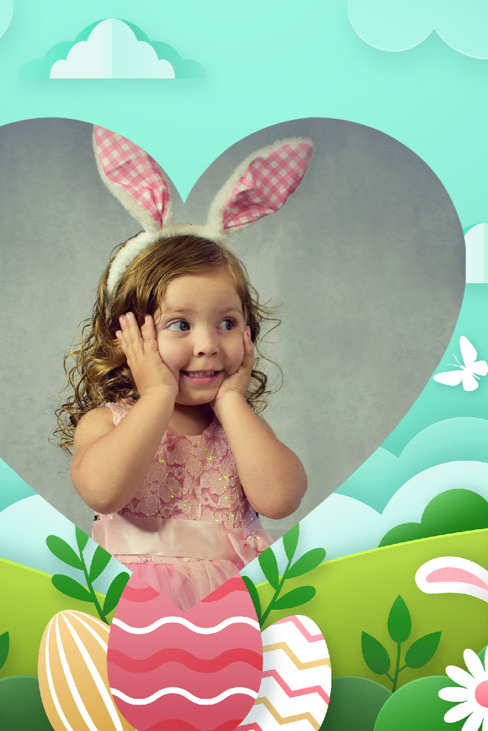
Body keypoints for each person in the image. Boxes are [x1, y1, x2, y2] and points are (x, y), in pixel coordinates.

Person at [54, 126, 312, 610]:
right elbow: (104, 493)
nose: (208, 345)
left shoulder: (238, 430)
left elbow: (281, 500)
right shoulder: (105, 424)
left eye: (227, 323)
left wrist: (233, 403)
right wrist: (155, 397)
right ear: (126, 334)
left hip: (232, 610)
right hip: (132, 611)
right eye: (179, 325)